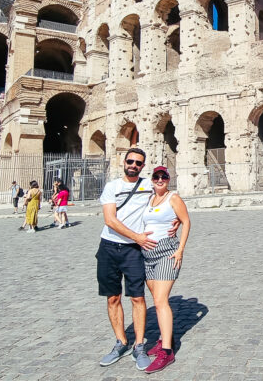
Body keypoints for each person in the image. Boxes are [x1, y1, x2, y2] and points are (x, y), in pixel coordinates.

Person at [95, 148, 177, 371]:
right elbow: (110, 220)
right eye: (130, 161)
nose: (133, 165)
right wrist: (138, 237)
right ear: (124, 162)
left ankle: (139, 345)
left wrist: (176, 220)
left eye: (138, 163)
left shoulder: (148, 185)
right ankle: (121, 342)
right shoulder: (112, 187)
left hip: (134, 250)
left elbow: (167, 198)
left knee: (138, 298)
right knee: (112, 297)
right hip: (109, 247)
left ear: (142, 166)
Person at [141, 166, 191, 373]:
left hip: (167, 252)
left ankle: (167, 351)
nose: (160, 179)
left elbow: (187, 220)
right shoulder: (148, 199)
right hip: (147, 254)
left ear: (169, 179)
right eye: (156, 177)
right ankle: (163, 338)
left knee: (161, 301)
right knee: (157, 299)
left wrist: (180, 250)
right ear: (152, 180)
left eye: (164, 177)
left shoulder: (174, 198)